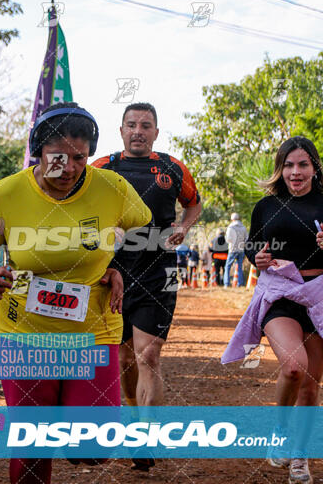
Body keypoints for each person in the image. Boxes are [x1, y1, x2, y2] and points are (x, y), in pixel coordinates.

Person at [0, 102, 152, 484]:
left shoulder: (111, 188)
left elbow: (144, 233)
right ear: (38, 152)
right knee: (31, 449)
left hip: (92, 332)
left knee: (93, 447)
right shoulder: (8, 194)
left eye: (80, 158)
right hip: (24, 334)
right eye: (58, 157)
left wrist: (118, 267)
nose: (69, 168)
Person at [92, 102, 201, 471]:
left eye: (146, 125)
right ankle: (136, 417)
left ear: (156, 131)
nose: (138, 130)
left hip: (160, 272)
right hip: (111, 274)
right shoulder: (102, 168)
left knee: (148, 356)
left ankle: (143, 438)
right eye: (131, 125)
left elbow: (194, 204)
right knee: (124, 359)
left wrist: (184, 227)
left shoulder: (172, 166)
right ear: (121, 130)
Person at [222, 136, 323, 484]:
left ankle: (300, 457)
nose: (296, 172)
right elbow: (254, 246)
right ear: (281, 169)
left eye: (303, 165)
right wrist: (257, 258)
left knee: (311, 384)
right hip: (279, 293)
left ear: (314, 167)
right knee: (295, 367)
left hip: (319, 295)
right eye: (289, 165)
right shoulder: (267, 206)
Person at [223, 213, 248, 287]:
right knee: (240, 266)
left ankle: (226, 283)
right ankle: (240, 283)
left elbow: (228, 239)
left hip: (232, 249)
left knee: (227, 266)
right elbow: (246, 238)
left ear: (232, 219)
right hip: (241, 249)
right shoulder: (243, 227)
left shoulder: (230, 227)